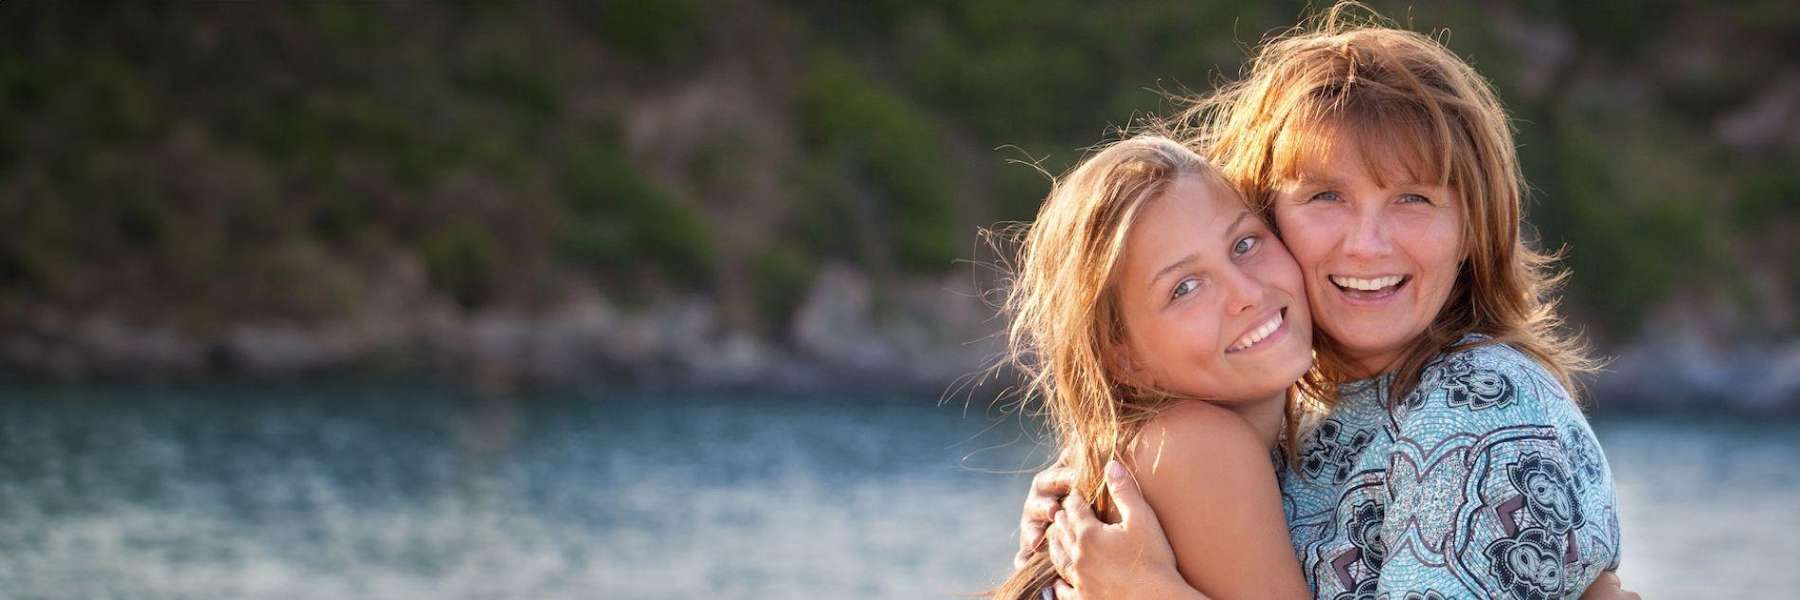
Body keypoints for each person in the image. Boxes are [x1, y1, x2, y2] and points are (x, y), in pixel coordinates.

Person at [1013, 4, 1631, 599]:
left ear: (1473, 228)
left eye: (1413, 198)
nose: (1366, 244)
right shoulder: (1277, 419)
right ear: (1269, 212)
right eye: (1326, 196)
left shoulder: (1474, 403)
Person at [988, 134, 1319, 599]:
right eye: (1185, 287)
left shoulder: (1149, 448)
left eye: (1244, 244)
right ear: (1122, 356)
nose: (1246, 293)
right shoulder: (1198, 446)